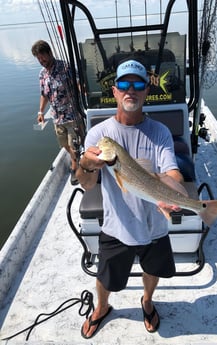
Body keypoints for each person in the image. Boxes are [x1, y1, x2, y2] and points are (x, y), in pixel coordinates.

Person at [76, 59, 184, 338]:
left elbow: (171, 170)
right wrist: (87, 165)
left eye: (137, 84)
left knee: (153, 270)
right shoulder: (99, 134)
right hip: (116, 225)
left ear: (147, 90)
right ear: (114, 91)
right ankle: (102, 307)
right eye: (124, 84)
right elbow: (87, 185)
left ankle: (147, 302)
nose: (130, 90)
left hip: (154, 224)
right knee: (105, 277)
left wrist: (173, 195)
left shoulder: (159, 132)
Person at [31, 40, 79, 185]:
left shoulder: (65, 67)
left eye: (43, 57)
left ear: (50, 53)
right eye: (38, 59)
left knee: (73, 145)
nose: (41, 61)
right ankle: (75, 159)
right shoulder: (42, 74)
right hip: (57, 118)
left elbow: (79, 84)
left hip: (72, 116)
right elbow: (44, 95)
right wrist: (40, 112)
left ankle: (75, 167)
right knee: (64, 145)